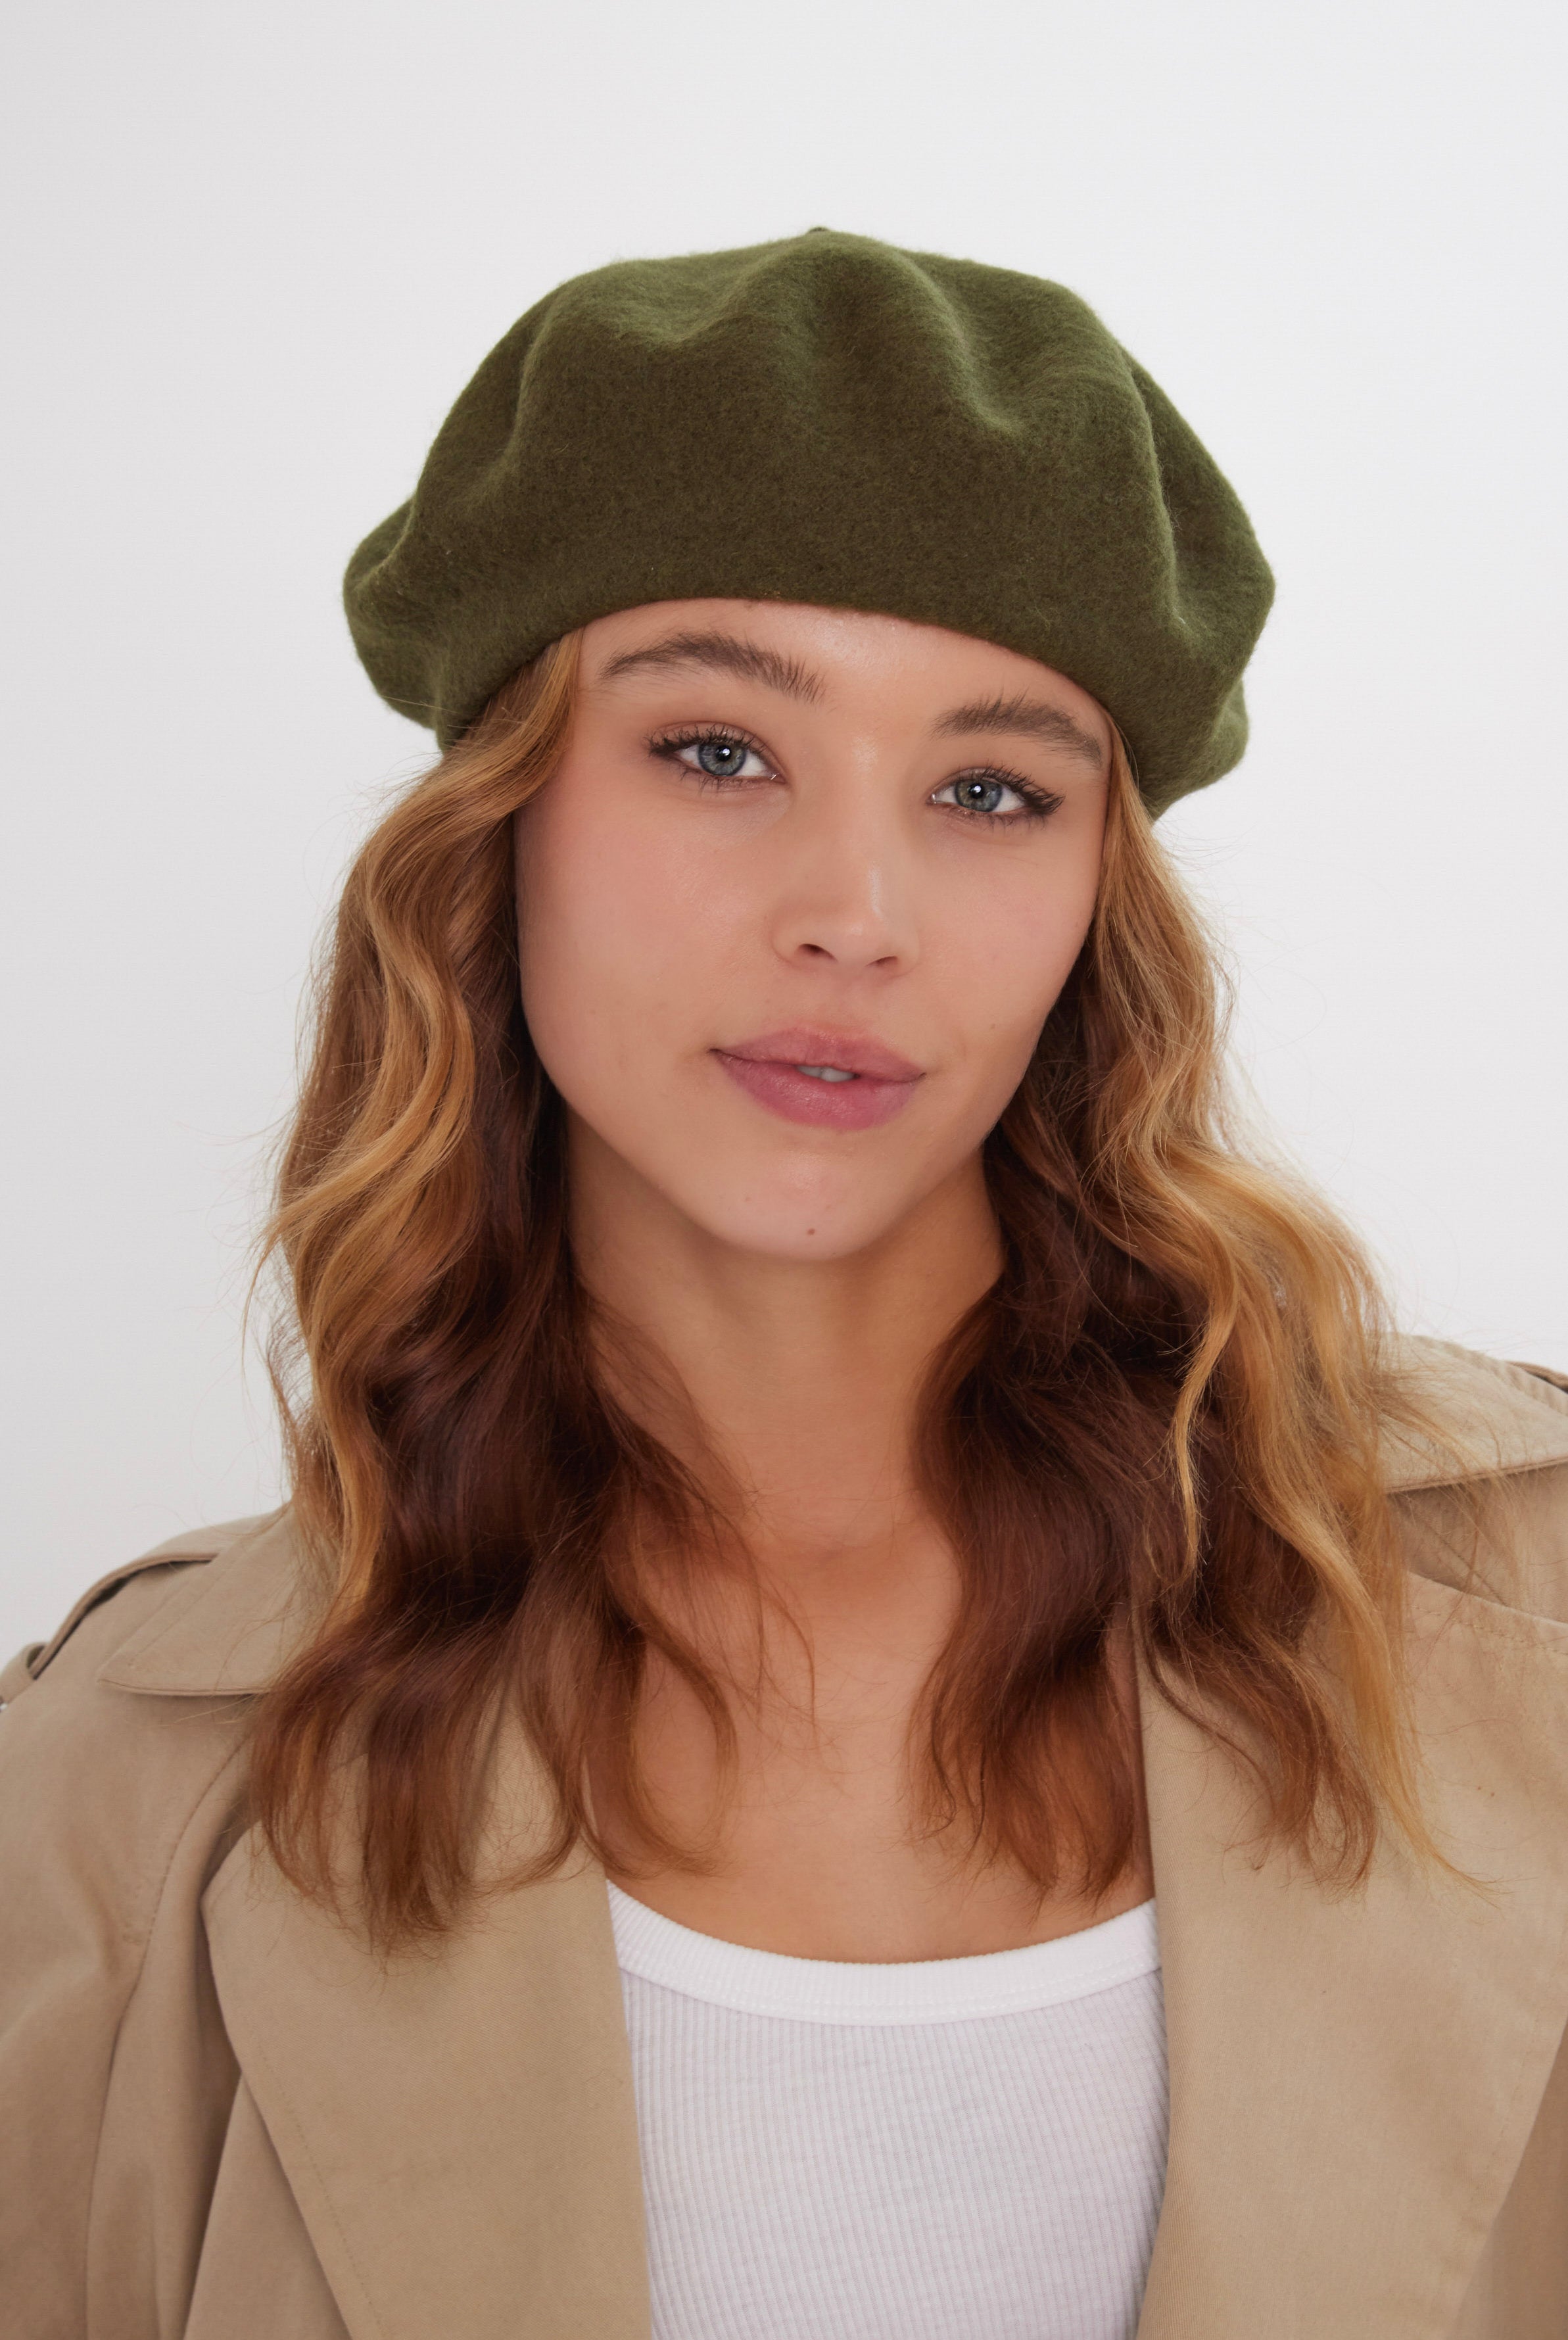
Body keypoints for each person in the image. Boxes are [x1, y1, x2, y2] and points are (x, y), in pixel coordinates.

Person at [3, 229, 1565, 2340]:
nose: (855, 911)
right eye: (717, 751)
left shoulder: (1529, 1609)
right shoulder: (106, 1800)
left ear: (1094, 898)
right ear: (500, 819)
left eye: (991, 790)